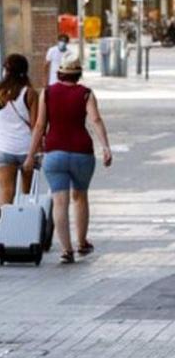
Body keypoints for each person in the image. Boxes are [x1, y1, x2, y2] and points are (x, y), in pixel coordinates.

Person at [24, 57, 113, 264]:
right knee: (80, 197)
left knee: (59, 201)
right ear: (78, 74)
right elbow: (96, 119)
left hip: (54, 153)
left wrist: (30, 155)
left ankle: (66, 250)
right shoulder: (86, 94)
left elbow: (39, 126)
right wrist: (106, 147)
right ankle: (82, 242)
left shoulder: (47, 93)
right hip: (82, 152)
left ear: (60, 73)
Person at [0, 54, 39, 204]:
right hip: (26, 150)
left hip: (3, 148)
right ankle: (25, 225)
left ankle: (3, 225)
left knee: (6, 192)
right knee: (27, 194)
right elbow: (36, 125)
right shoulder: (30, 93)